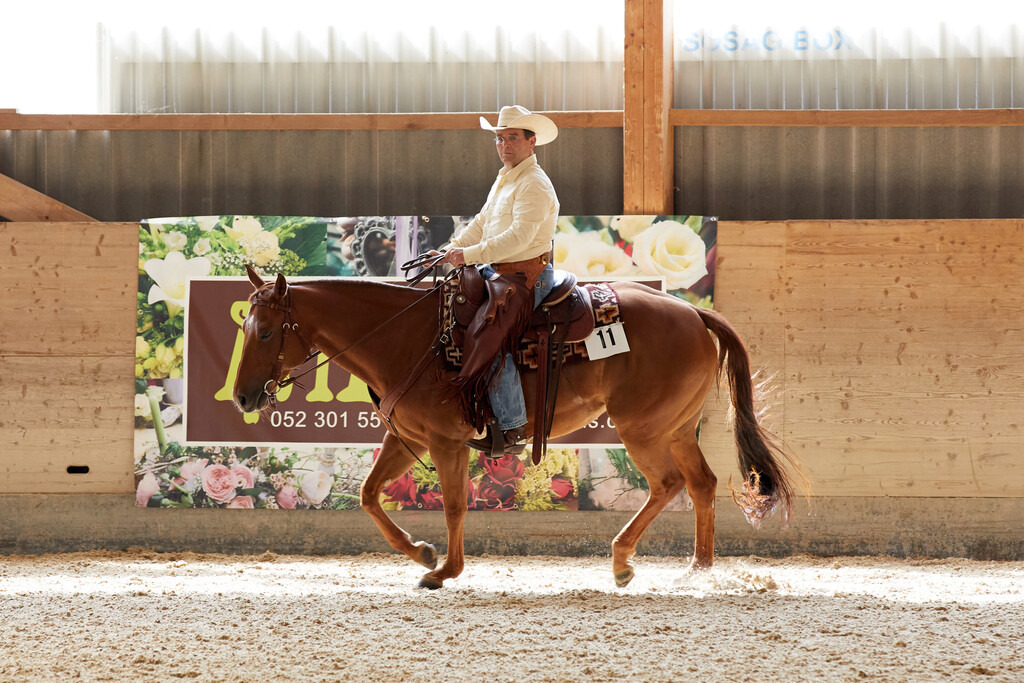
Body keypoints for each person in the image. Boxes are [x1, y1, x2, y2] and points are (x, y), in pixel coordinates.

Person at [441, 105, 560, 456]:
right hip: (500, 271)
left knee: (490, 339)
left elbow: (519, 238)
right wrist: (453, 246)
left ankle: (511, 428)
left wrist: (469, 255)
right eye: (500, 138)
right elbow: (482, 221)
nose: (505, 144)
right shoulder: (506, 178)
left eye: (512, 138)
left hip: (527, 275)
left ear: (531, 142)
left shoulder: (535, 184)